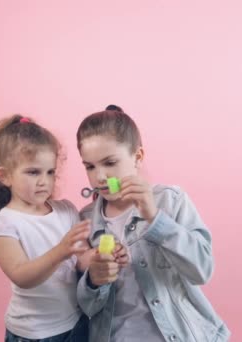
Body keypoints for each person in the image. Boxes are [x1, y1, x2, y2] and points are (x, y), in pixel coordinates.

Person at [75, 105, 231, 342]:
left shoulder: (171, 200)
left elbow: (202, 270)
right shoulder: (85, 221)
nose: (100, 176)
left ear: (137, 157)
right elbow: (86, 307)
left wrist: (155, 217)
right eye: (90, 166)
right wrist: (94, 281)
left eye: (110, 162)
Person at [0, 114, 90, 342]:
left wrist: (102, 258)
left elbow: (82, 260)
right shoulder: (3, 222)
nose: (44, 180)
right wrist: (60, 251)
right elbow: (21, 274)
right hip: (34, 334)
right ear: (5, 176)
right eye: (33, 172)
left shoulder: (66, 210)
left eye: (50, 172)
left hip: (75, 323)